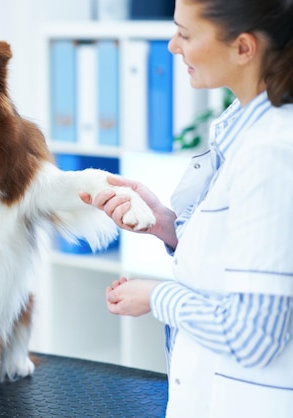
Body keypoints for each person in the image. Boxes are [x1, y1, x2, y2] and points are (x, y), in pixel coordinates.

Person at [80, 0, 293, 416]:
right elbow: (244, 254)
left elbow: (255, 336)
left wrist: (156, 296)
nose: (173, 47)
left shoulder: (270, 152)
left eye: (186, 34)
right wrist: (167, 226)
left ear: (244, 48)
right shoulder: (242, 126)